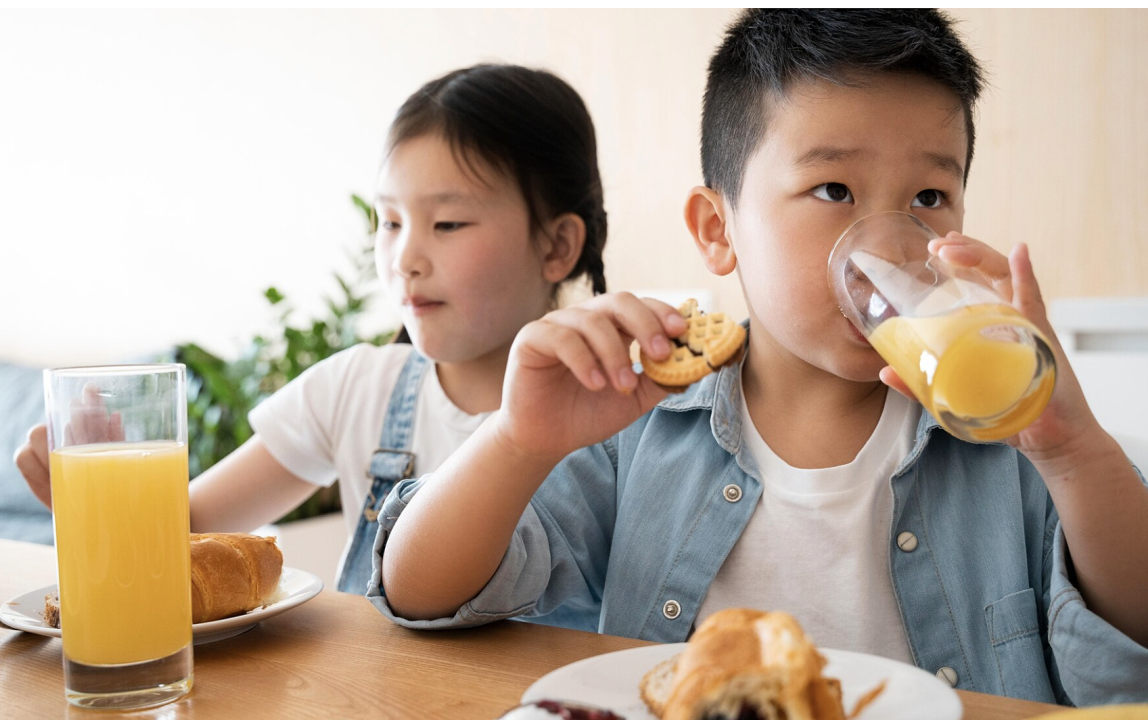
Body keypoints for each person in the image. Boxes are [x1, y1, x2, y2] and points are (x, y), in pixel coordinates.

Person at [370, 10, 1148, 707]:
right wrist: (516, 442)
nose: (888, 244)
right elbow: (419, 592)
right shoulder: (637, 424)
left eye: (928, 199)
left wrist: (1074, 453)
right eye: (834, 188)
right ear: (718, 230)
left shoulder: (1005, 435)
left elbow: (1131, 648)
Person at [13, 63, 610, 595]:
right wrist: (102, 496)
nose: (405, 258)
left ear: (557, 245)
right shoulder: (357, 388)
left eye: (448, 223)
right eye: (391, 221)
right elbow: (181, 530)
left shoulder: (613, 416)